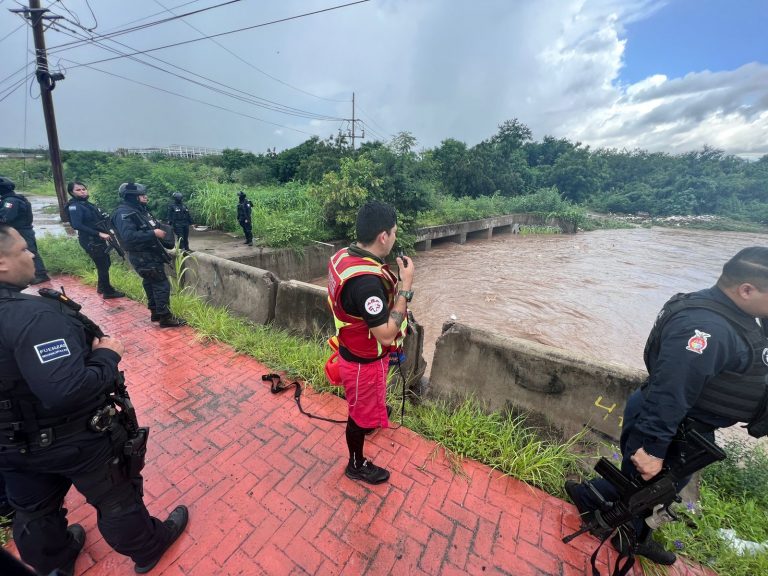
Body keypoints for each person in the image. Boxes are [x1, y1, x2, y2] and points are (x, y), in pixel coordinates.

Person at [0, 224, 189, 575]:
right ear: (1, 263)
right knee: (115, 496)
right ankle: (149, 547)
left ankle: (55, 560)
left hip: (11, 445)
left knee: (35, 509)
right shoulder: (32, 317)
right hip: (73, 438)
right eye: (23, 249)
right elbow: (65, 390)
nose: (31, 254)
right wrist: (108, 355)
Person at [565, 246, 768, 566]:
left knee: (651, 490)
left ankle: (597, 502)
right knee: (645, 489)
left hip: (689, 429)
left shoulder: (740, 315)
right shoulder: (705, 329)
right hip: (671, 426)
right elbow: (670, 391)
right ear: (746, 290)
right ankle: (625, 536)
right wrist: (652, 447)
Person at [326, 200, 415, 485]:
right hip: (363, 362)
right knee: (357, 415)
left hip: (350, 348)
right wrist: (406, 287)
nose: (395, 237)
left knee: (363, 406)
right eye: (394, 232)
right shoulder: (367, 284)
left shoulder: (343, 256)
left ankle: (369, 417)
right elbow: (387, 334)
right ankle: (356, 463)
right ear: (383, 237)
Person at [111, 182, 186, 328]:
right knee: (161, 284)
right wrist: (153, 233)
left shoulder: (139, 210)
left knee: (150, 283)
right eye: (141, 195)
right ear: (132, 197)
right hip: (142, 255)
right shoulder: (123, 213)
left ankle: (156, 313)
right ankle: (165, 317)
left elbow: (152, 225)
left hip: (150, 254)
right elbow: (128, 236)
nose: (145, 197)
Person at [66, 181, 125, 299]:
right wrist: (99, 233)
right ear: (72, 192)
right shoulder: (75, 206)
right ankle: (108, 292)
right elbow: (77, 225)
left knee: (105, 263)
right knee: (103, 264)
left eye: (84, 189)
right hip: (90, 240)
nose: (82, 191)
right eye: (78, 190)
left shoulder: (87, 204)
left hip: (97, 239)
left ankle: (101, 286)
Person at [0, 176, 49, 284]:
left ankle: (41, 274)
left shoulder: (10, 201)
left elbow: (5, 218)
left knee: (30, 251)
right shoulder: (13, 199)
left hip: (22, 231)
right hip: (21, 230)